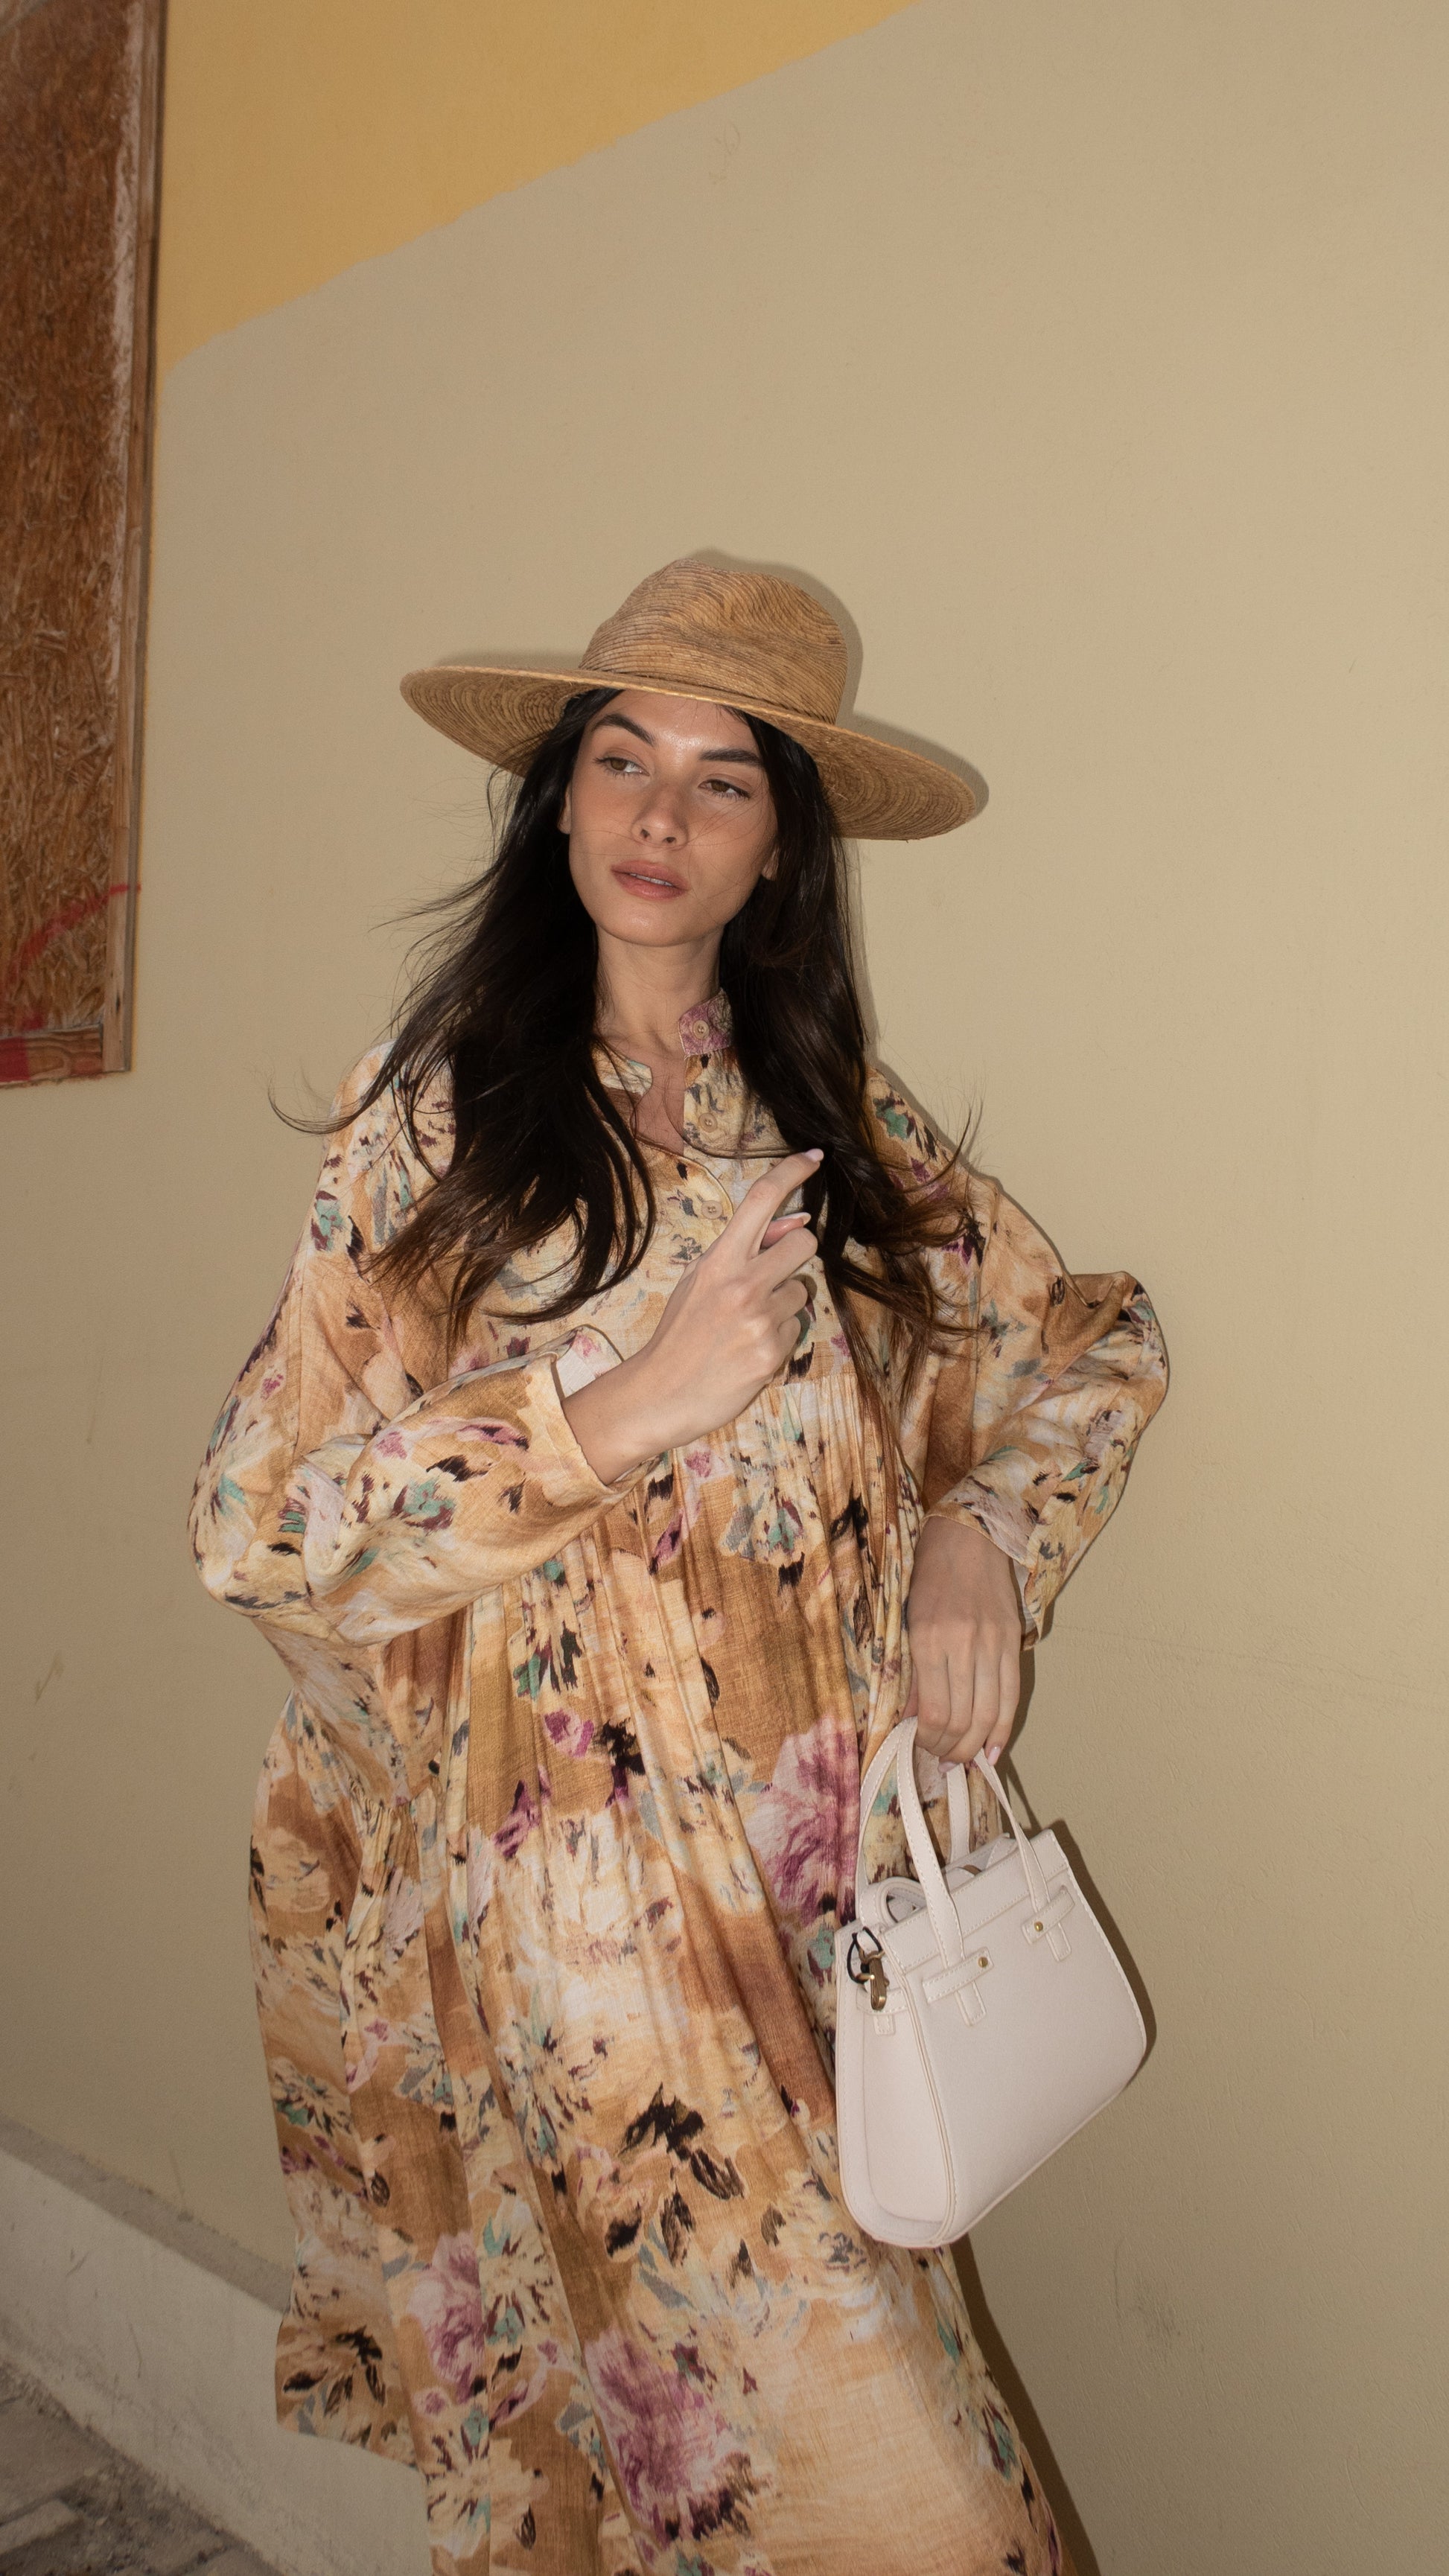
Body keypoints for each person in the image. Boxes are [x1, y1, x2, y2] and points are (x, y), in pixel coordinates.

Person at [191, 558, 1166, 2576]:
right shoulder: (444, 1121)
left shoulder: (828, 1124)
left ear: (777, 847)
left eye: (724, 780)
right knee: (916, 2515)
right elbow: (258, 1526)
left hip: (829, 1909)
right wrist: (606, 1412)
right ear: (556, 798)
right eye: (621, 759)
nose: (660, 813)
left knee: (693, 2508)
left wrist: (981, 1536)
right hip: (588, 1940)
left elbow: (1085, 1344)